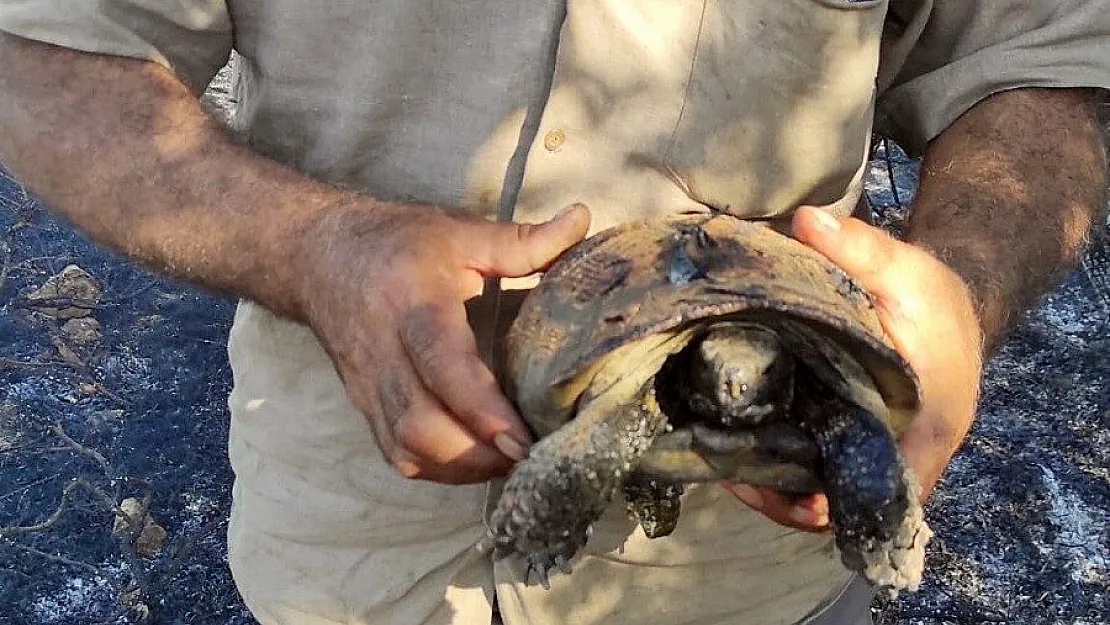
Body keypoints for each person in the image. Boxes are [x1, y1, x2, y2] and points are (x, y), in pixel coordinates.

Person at [0, 2, 1107, 624]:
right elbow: (41, 54)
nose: (728, 389)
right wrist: (311, 246)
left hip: (747, 588)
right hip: (354, 535)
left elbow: (1045, 51)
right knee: (604, 424)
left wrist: (959, 287)